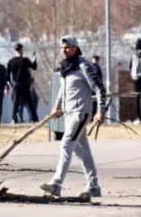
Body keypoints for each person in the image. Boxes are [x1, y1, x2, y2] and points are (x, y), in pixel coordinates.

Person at [40, 35, 105, 198]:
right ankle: (93, 186)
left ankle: (56, 184)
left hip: (80, 112)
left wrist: (101, 110)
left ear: (75, 48)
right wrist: (57, 105)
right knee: (82, 151)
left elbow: (99, 88)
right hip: (69, 113)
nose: (64, 50)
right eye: (62, 48)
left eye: (67, 47)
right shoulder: (65, 67)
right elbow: (63, 89)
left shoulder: (84, 65)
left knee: (66, 143)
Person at [7, 43, 39, 123]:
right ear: (21, 50)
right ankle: (34, 118)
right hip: (25, 85)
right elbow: (34, 67)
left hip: (16, 84)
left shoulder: (11, 62)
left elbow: (7, 74)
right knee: (29, 102)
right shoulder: (25, 60)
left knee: (15, 103)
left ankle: (14, 118)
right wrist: (34, 59)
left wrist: (9, 83)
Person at [129, 41, 141, 124]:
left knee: (137, 98)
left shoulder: (133, 56)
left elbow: (130, 67)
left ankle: (138, 117)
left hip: (136, 78)